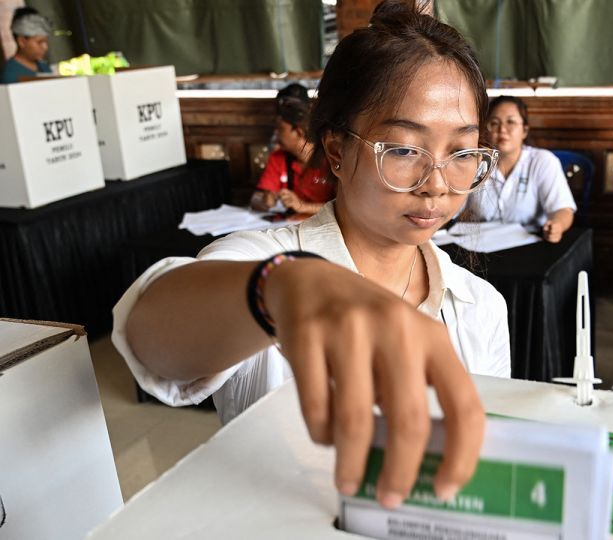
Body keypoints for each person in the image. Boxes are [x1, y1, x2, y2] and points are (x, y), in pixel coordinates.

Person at [113, 0, 507, 510]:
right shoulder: (268, 263)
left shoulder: (481, 306)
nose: (436, 185)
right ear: (338, 151)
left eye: (461, 152)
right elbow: (150, 338)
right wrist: (277, 290)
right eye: (405, 150)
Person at [463, 96, 576, 243]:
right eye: (494, 123)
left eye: (511, 122)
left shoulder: (542, 161)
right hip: (479, 245)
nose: (502, 129)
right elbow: (454, 209)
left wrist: (557, 225)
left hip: (529, 245)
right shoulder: (476, 162)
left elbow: (562, 209)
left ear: (524, 130)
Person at [250, 92, 336, 215]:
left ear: (299, 131)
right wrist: (264, 200)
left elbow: (343, 209)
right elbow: (255, 200)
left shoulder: (331, 159)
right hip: (286, 227)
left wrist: (303, 206)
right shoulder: (278, 157)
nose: (276, 134)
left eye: (280, 129)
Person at [2, 7, 53, 84]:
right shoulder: (10, 76)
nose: (45, 47)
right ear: (21, 41)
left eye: (46, 42)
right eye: (39, 42)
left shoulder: (44, 68)